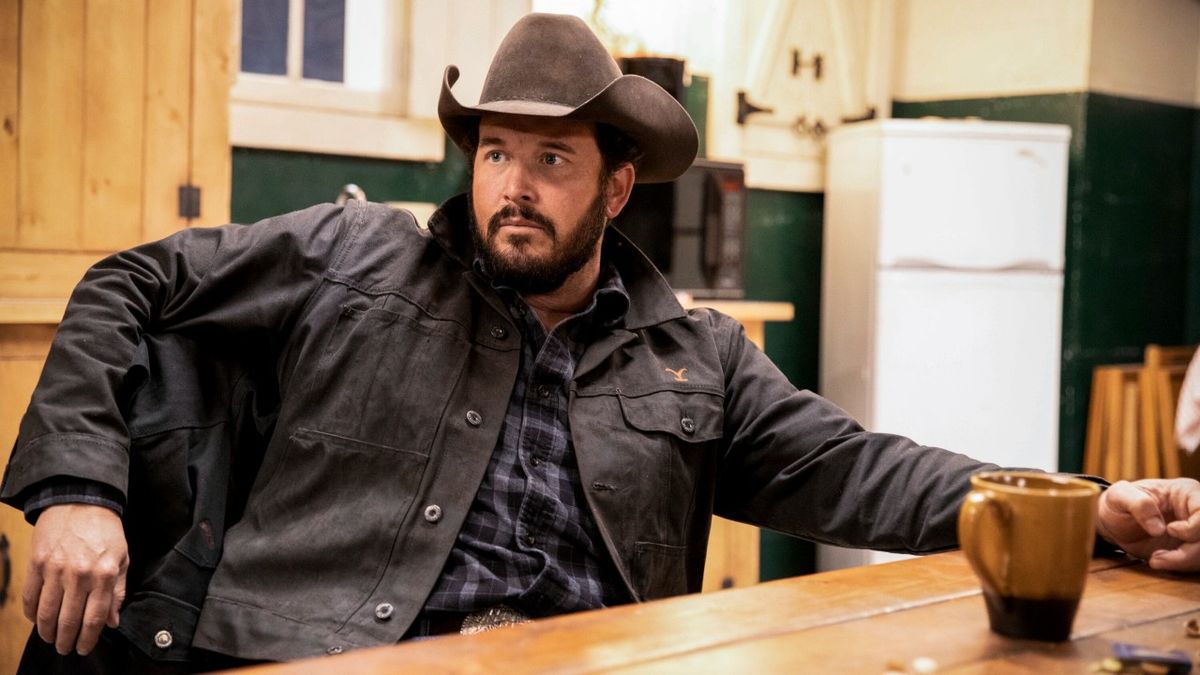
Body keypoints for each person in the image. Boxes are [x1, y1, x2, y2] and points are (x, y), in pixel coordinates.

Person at [3, 12, 1200, 672]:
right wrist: (77, 490)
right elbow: (132, 279)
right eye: (495, 154)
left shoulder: (698, 356)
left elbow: (860, 468)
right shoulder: (348, 254)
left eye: (553, 160)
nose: (513, 188)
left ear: (616, 188)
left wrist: (1084, 507)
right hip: (324, 662)